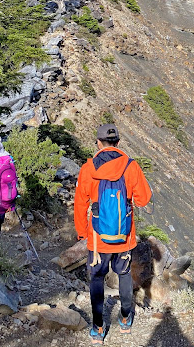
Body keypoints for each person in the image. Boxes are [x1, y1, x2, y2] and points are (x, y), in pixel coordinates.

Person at [74, 123, 152, 345]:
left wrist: (82, 232)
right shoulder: (131, 166)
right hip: (124, 236)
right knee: (124, 275)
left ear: (98, 143)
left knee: (97, 278)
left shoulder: (88, 168)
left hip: (98, 239)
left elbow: (80, 203)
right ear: (118, 143)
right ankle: (126, 318)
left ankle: (98, 327)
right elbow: (143, 199)